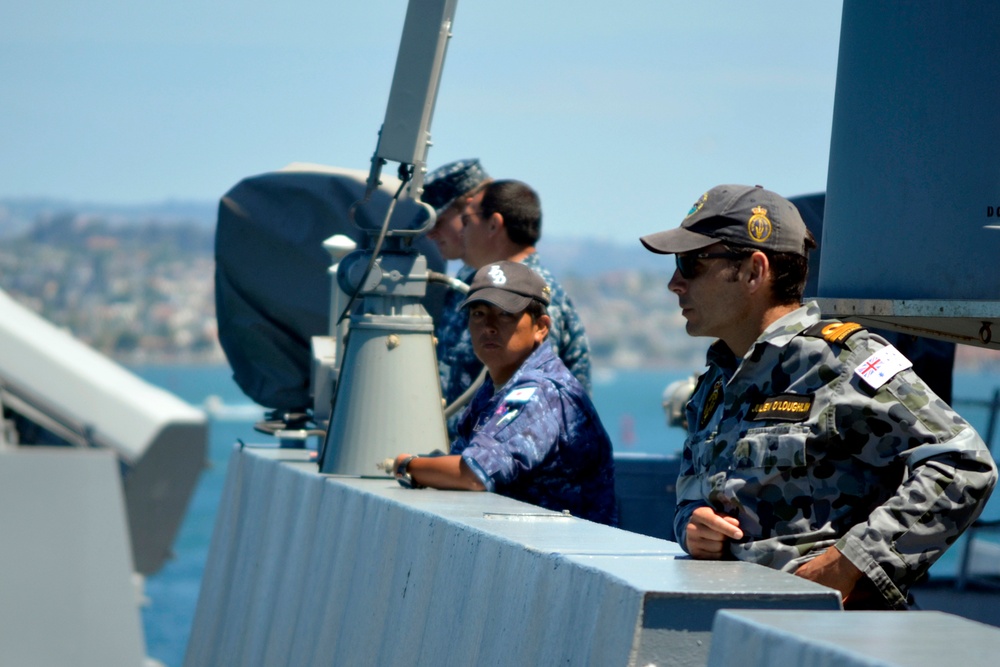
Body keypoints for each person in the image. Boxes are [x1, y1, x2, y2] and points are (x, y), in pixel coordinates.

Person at [639, 183, 997, 610]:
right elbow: (692, 492)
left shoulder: (843, 361)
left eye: (692, 262)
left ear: (754, 271)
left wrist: (851, 565)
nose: (674, 283)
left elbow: (962, 463)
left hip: (835, 635)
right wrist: (692, 524)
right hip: (741, 627)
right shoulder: (716, 383)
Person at [391, 261, 617, 526]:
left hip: (565, 556)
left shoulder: (541, 392)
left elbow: (473, 473)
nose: (488, 326)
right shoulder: (498, 386)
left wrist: (407, 465)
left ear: (541, 327)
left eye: (505, 314)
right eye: (478, 314)